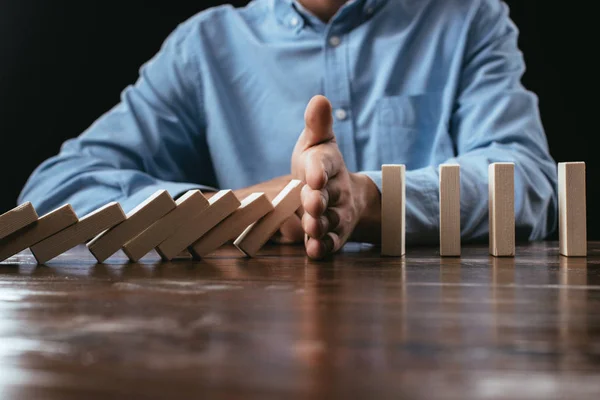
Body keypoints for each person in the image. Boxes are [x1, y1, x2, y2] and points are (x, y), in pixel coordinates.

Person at [18, 0, 558, 260]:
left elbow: (529, 181)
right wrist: (241, 209)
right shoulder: (205, 45)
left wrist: (369, 199)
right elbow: (56, 191)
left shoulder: (469, 20)